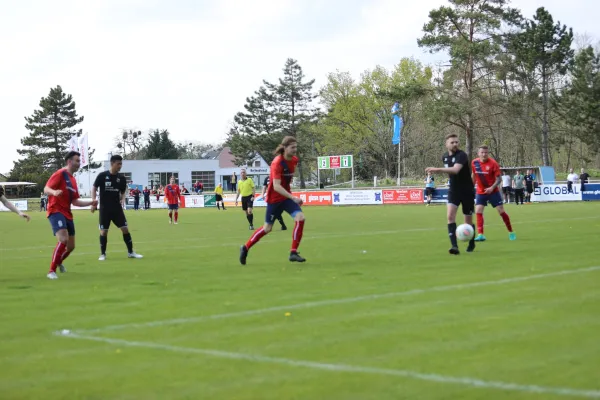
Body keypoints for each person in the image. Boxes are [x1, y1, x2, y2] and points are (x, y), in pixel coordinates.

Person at [240, 136, 306, 264]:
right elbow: (276, 186)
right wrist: (293, 197)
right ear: (285, 148)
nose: (295, 150)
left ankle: (293, 252)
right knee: (267, 228)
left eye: (296, 147)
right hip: (275, 199)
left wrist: (290, 195)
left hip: (286, 198)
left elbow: (288, 179)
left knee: (300, 218)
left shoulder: (294, 160)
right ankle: (245, 247)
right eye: (292, 147)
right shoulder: (277, 162)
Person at [44, 151, 97, 279]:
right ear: (69, 162)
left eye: (79, 161)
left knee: (71, 246)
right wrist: (54, 192)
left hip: (67, 213)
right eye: (77, 161)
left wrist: (91, 202)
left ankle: (59, 262)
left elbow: (75, 201)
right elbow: (46, 189)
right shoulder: (60, 173)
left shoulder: (73, 180)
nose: (79, 163)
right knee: (63, 239)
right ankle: (51, 271)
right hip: (55, 210)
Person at [425, 133, 476, 255]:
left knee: (467, 221)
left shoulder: (462, 155)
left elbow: (455, 170)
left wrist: (437, 170)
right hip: (454, 190)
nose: (455, 144)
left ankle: (471, 242)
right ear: (446, 144)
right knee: (450, 217)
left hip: (467, 191)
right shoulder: (444, 157)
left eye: (457, 142)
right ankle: (454, 246)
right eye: (452, 142)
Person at [91, 155, 143, 261]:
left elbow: (123, 191)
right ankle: (103, 254)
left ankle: (131, 252)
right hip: (105, 209)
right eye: (118, 164)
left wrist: (123, 198)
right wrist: (94, 201)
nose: (120, 166)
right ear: (112, 163)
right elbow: (94, 187)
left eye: (121, 164)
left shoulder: (121, 178)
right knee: (104, 231)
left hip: (117, 209)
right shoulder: (102, 175)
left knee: (125, 229)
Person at [471, 146, 516, 242]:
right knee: (478, 210)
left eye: (486, 152)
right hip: (481, 191)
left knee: (501, 211)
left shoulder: (493, 164)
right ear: (478, 153)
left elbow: (499, 179)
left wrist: (491, 188)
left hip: (493, 191)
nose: (484, 154)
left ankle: (511, 231)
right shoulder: (474, 162)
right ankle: (481, 234)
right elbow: (474, 175)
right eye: (482, 152)